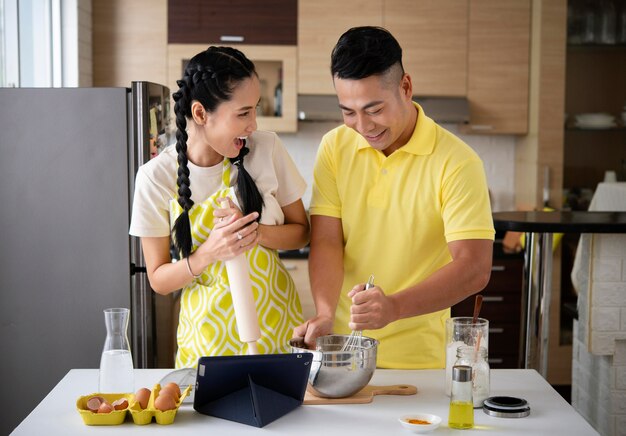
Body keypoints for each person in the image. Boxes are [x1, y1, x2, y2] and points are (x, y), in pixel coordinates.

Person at [294, 27, 495, 369]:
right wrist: (326, 314)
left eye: (374, 109)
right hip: (342, 353)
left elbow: (474, 267)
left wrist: (394, 307)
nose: (362, 125)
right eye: (348, 111)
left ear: (405, 87)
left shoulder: (458, 162)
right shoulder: (334, 147)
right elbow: (327, 240)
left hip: (417, 363)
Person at [129, 46, 310, 368]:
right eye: (243, 113)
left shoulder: (266, 149)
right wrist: (210, 252)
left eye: (254, 110)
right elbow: (158, 280)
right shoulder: (155, 177)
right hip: (207, 344)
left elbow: (302, 233)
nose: (253, 124)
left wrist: (254, 233)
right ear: (200, 114)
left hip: (278, 331)